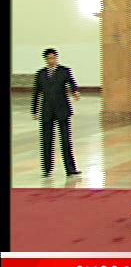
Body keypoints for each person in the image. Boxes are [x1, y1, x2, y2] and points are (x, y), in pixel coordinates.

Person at [31, 48, 82, 177]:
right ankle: (47, 169)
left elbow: (71, 82)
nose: (51, 60)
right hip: (47, 110)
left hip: (62, 110)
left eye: (53, 58)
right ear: (45, 60)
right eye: (49, 58)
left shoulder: (64, 71)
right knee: (46, 141)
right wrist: (34, 110)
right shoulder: (41, 74)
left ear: (56, 58)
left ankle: (70, 169)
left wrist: (75, 91)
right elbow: (36, 92)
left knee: (66, 140)